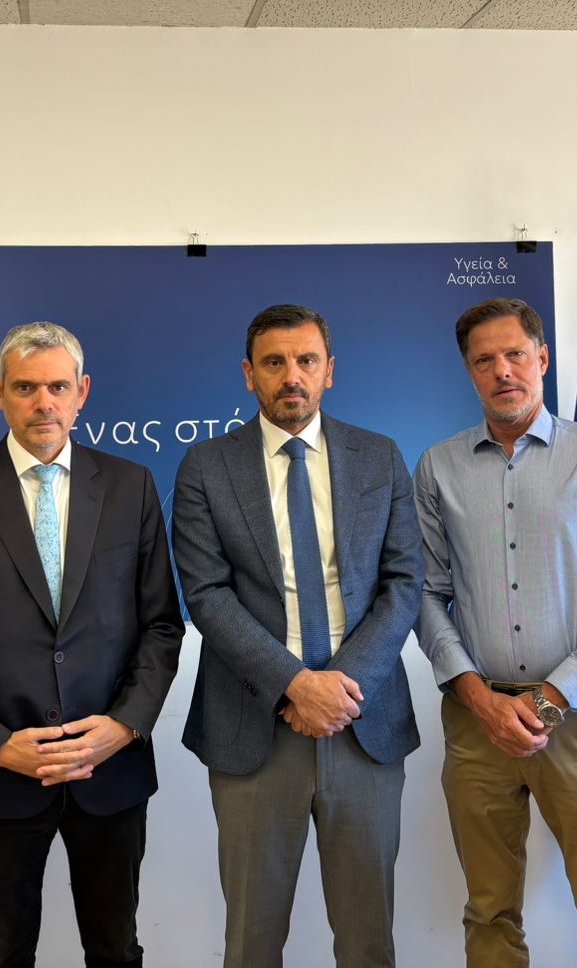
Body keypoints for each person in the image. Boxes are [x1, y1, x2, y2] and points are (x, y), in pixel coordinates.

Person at [0, 321, 184, 968]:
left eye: (58, 387)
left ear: (82, 392)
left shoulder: (131, 486)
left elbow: (162, 625)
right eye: (26, 388)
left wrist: (123, 727)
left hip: (109, 769)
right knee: (3, 953)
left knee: (116, 949)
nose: (43, 403)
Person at [414, 296, 577, 968]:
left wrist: (550, 699)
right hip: (478, 724)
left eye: (515, 354)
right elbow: (426, 594)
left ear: (543, 358)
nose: (502, 371)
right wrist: (479, 698)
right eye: (484, 360)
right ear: (469, 372)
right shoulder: (437, 468)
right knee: (488, 914)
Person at [173, 303, 423, 968]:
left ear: (329, 370)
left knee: (369, 945)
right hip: (255, 727)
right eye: (274, 362)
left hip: (364, 723)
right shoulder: (206, 467)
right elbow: (207, 595)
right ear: (248, 374)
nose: (292, 376)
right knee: (252, 945)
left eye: (306, 360)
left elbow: (404, 582)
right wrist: (294, 685)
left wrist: (339, 689)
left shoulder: (379, 457)